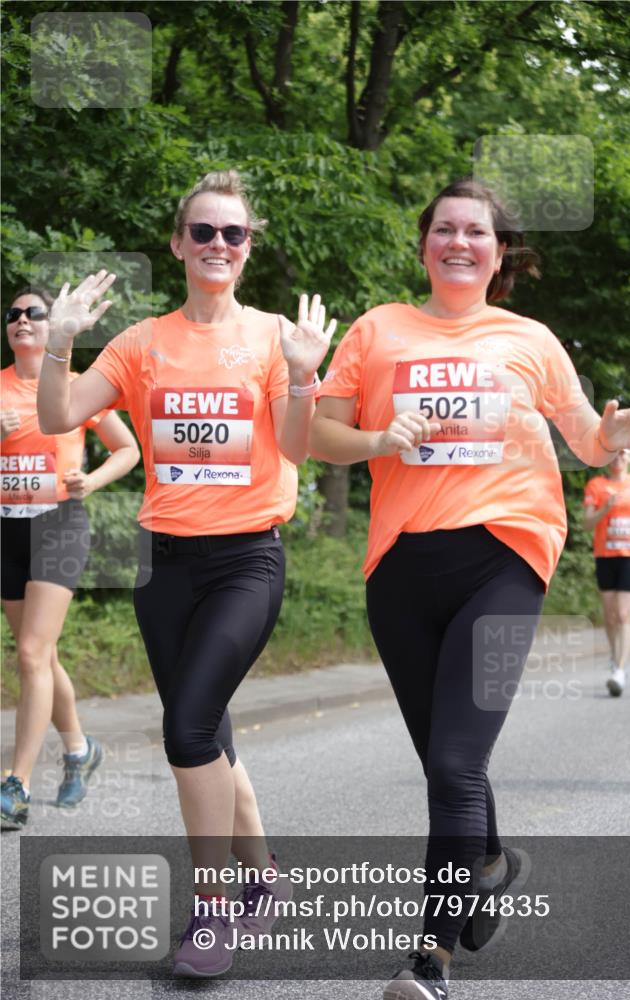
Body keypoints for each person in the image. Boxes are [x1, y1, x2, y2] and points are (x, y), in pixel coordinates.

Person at [310, 177, 630, 1000]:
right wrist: (377, 437)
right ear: (423, 245)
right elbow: (319, 436)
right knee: (447, 760)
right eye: (444, 229)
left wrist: (608, 434)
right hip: (399, 565)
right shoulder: (376, 330)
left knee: (454, 761)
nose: (458, 242)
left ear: (499, 252)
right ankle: (491, 862)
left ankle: (429, 960)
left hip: (506, 559)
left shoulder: (528, 339)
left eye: (476, 231)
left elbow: (583, 436)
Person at [36, 170, 336, 977]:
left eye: (233, 233)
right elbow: (59, 415)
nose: (217, 244)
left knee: (188, 731)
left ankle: (212, 912)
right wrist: (61, 341)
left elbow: (298, 446)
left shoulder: (275, 337)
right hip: (164, 565)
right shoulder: (142, 343)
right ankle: (264, 875)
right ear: (178, 244)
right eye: (202, 231)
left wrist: (303, 375)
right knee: (209, 731)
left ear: (248, 247)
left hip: (245, 560)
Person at [1, 286, 139, 830]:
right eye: (13, 314)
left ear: (50, 324)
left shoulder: (76, 386)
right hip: (7, 528)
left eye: (34, 313)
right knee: (40, 656)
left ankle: (16, 785)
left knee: (32, 653)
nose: (22, 320)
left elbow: (128, 449)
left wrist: (92, 480)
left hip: (58, 524)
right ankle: (80, 750)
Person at [583, 449, 630, 696]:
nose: (618, 458)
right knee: (610, 616)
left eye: (623, 454)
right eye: (613, 454)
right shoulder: (596, 485)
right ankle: (615, 659)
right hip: (605, 556)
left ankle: (620, 671)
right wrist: (605, 508)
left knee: (623, 614)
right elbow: (586, 523)